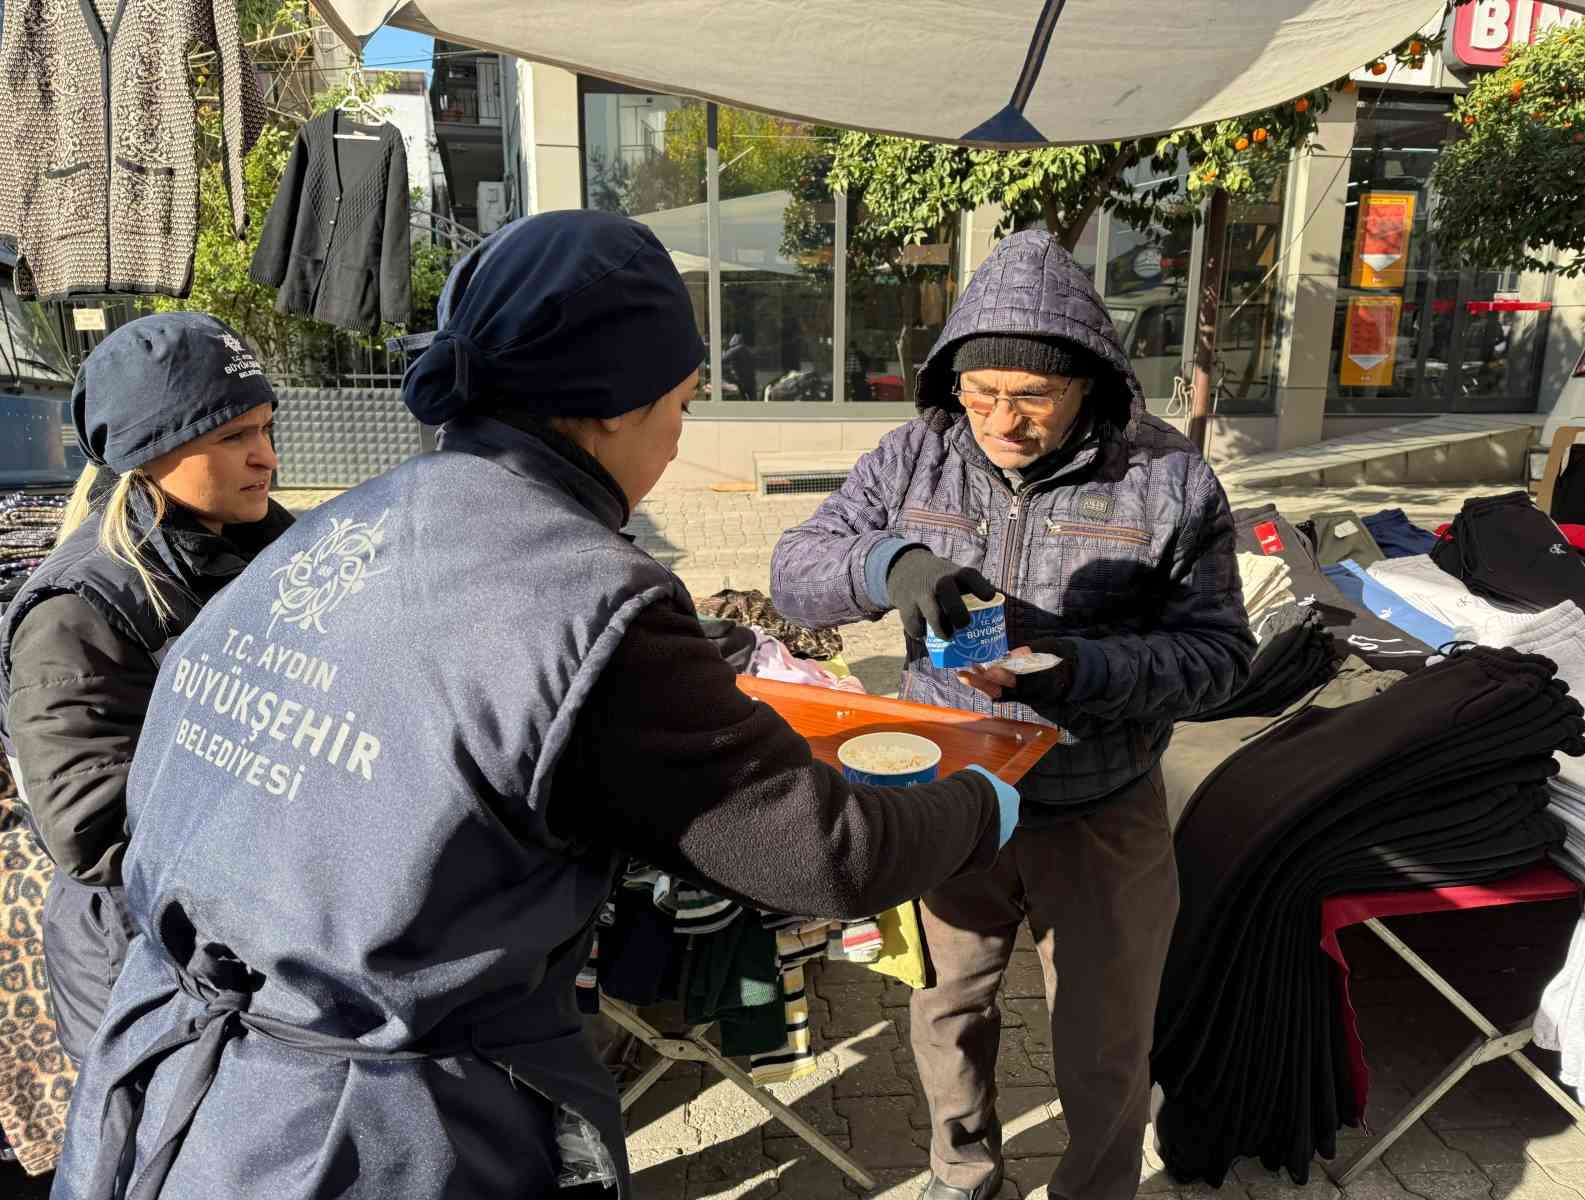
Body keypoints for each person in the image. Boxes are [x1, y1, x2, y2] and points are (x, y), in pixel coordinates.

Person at [49, 210, 1021, 1200]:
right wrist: (983, 801)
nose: (678, 444)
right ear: (607, 408)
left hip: (167, 1089)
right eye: (679, 407)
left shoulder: (341, 526)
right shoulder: (590, 598)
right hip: (370, 1139)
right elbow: (827, 852)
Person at [770, 228, 1251, 1200]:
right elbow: (795, 569)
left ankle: (1096, 1188)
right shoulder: (913, 457)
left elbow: (1221, 659)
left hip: (1102, 807)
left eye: (1031, 396)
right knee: (946, 1006)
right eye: (980, 393)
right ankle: (961, 1171)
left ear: (1091, 384)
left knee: (1104, 1040)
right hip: (950, 797)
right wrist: (889, 567)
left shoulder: (1168, 479)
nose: (1002, 421)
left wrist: (1083, 668)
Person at [0, 312, 292, 1066]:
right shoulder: (79, 608)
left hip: (251, 944)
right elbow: (90, 830)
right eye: (232, 437)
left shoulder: (272, 550)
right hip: (149, 971)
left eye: (266, 428)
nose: (265, 457)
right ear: (149, 451)